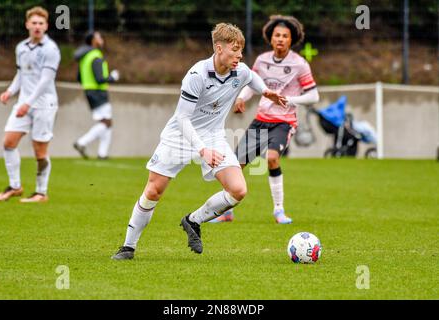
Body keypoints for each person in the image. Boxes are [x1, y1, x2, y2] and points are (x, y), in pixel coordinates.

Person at [111, 23, 287, 260]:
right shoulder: (197, 75)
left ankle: (193, 220)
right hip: (180, 135)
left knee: (238, 190)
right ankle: (128, 247)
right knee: (154, 190)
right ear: (219, 48)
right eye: (234, 51)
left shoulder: (240, 71)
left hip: (213, 136)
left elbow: (252, 77)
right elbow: (182, 118)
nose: (239, 56)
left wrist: (266, 92)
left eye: (241, 51)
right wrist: (202, 150)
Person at [210, 15, 320, 224]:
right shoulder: (262, 60)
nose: (280, 39)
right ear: (271, 38)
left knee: (271, 158)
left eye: (285, 36)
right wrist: (241, 98)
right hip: (261, 120)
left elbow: (314, 95)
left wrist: (290, 100)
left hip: (284, 122)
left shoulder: (299, 64)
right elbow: (253, 84)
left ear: (292, 39)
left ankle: (279, 210)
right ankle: (226, 211)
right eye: (277, 35)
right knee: (236, 164)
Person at [0, 6, 61, 203]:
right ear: (27, 25)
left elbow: (45, 80)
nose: (37, 26)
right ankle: (15, 186)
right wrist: (10, 91)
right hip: (24, 104)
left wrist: (28, 103)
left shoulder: (51, 49)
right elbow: (21, 74)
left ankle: (41, 192)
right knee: (8, 142)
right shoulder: (21, 47)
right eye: (34, 23)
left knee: (39, 152)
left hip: (43, 105)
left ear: (46, 26)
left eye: (41, 23)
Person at [73, 31, 119, 160]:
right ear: (92, 41)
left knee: (106, 122)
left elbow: (79, 77)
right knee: (107, 122)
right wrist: (113, 77)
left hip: (89, 91)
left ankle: (102, 154)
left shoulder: (85, 57)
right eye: (98, 37)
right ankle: (81, 143)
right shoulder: (95, 55)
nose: (101, 39)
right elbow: (99, 78)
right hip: (98, 92)